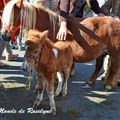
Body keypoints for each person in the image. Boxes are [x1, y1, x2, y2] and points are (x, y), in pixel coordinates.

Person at [0, 0, 18, 67]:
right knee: (4, 37)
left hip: (3, 12)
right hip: (4, 14)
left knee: (6, 37)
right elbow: (9, 5)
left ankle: (9, 54)